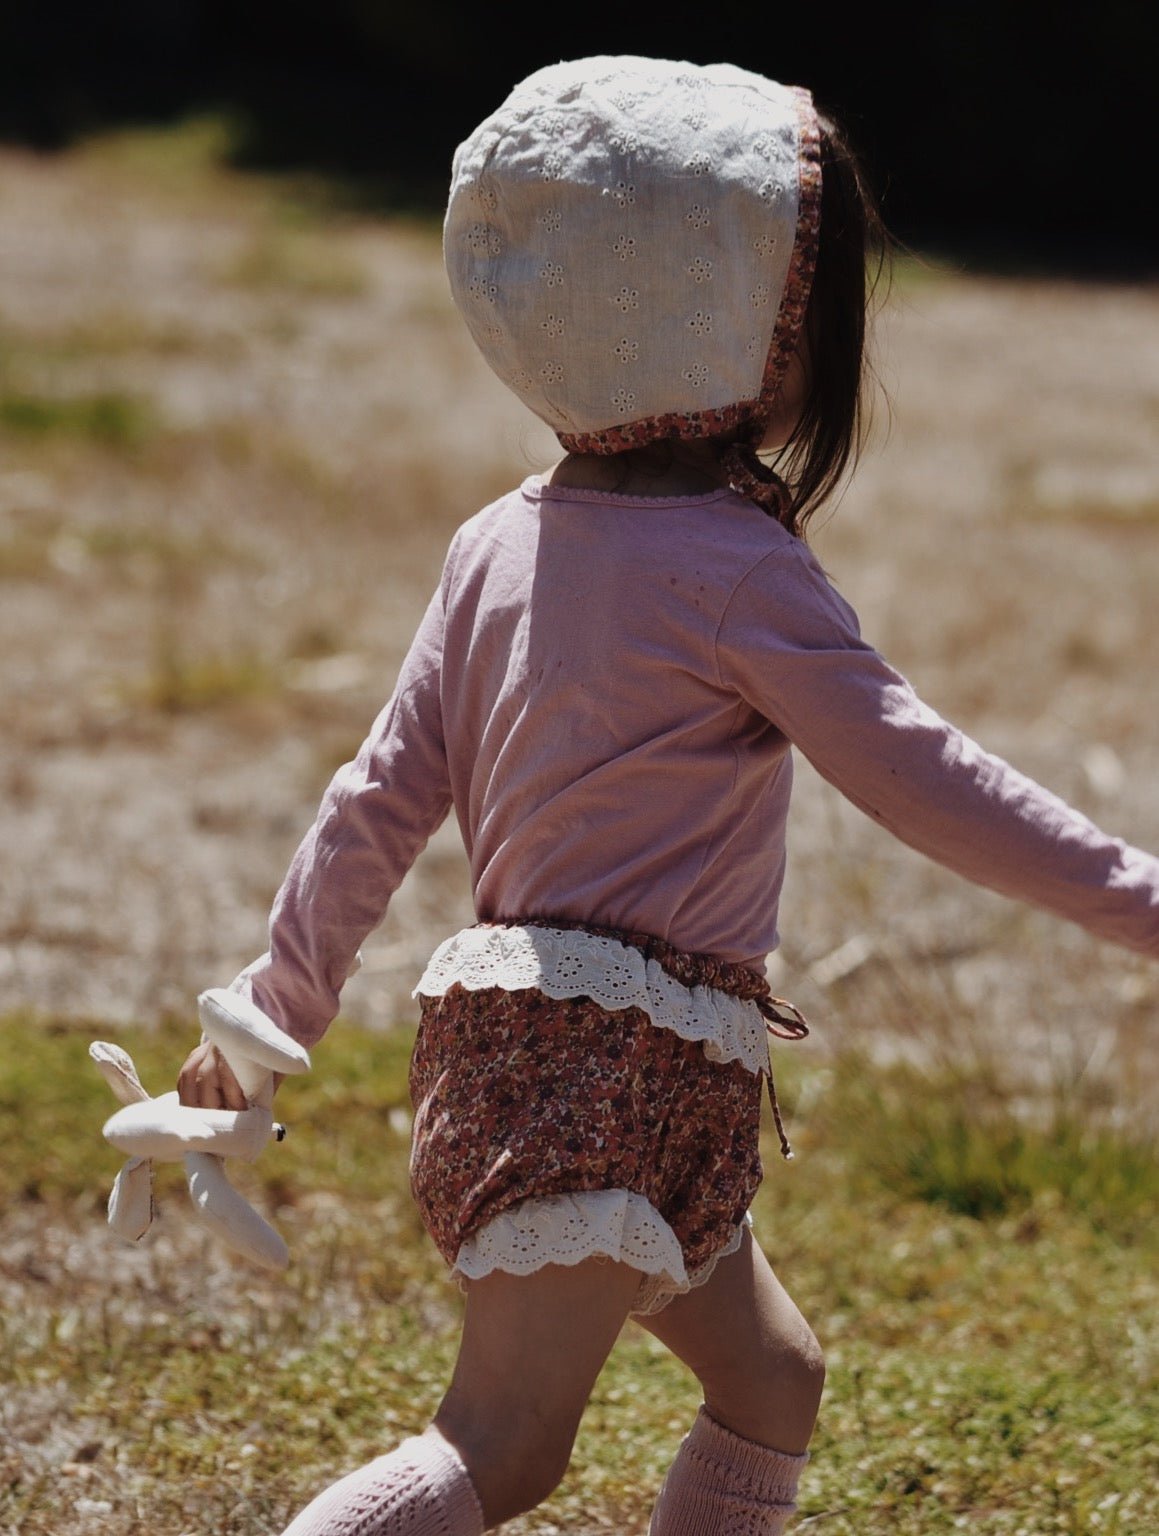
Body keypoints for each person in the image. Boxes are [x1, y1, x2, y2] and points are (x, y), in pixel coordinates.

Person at [177, 56, 1159, 1536]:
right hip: (614, 1069)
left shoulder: (493, 546)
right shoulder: (740, 571)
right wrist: (1139, 900)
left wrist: (270, 1017)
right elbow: (923, 778)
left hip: (563, 1063)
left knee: (775, 1383)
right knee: (501, 1448)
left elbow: (377, 796)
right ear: (751, 336)